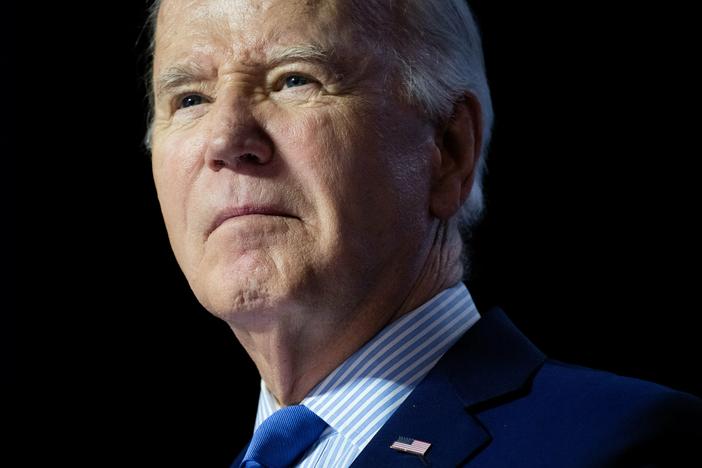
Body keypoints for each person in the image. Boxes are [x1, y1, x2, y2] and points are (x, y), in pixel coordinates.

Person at [146, 0, 701, 466]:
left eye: (295, 80)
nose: (224, 139)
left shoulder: (623, 443)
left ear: (449, 152)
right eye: (190, 99)